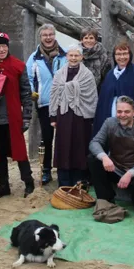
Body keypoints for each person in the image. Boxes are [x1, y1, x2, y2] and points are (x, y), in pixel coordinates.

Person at [0, 32, 35, 198]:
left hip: (13, 117)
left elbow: (26, 93)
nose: (1, 49)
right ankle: (3, 184)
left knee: (19, 152)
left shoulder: (18, 66)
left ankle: (28, 181)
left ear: (7, 47)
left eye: (3, 46)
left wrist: (27, 117)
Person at [88, 96, 134, 208]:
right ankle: (106, 199)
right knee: (93, 159)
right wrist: (104, 157)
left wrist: (129, 174)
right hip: (115, 168)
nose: (122, 115)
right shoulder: (110, 123)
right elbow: (95, 142)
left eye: (127, 111)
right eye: (119, 111)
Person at [49, 45, 98, 188]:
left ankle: (80, 181)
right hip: (63, 115)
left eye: (76, 55)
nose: (73, 58)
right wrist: (53, 116)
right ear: (66, 57)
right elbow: (53, 95)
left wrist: (91, 117)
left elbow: (92, 96)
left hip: (81, 116)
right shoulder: (59, 74)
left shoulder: (87, 75)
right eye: (71, 55)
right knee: (63, 146)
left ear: (81, 57)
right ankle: (64, 182)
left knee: (80, 147)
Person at [26, 23, 67, 185]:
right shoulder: (34, 57)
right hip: (44, 103)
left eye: (51, 34)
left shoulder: (64, 55)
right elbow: (28, 77)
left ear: (54, 35)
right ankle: (46, 170)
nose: (48, 37)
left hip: (64, 103)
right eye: (45, 35)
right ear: (40, 37)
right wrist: (31, 91)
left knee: (64, 138)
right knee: (47, 138)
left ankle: (64, 169)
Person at [92, 41, 134, 137]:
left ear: (130, 55)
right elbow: (103, 101)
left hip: (131, 121)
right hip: (111, 121)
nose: (122, 57)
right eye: (118, 54)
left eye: (125, 53)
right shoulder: (110, 75)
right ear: (114, 56)